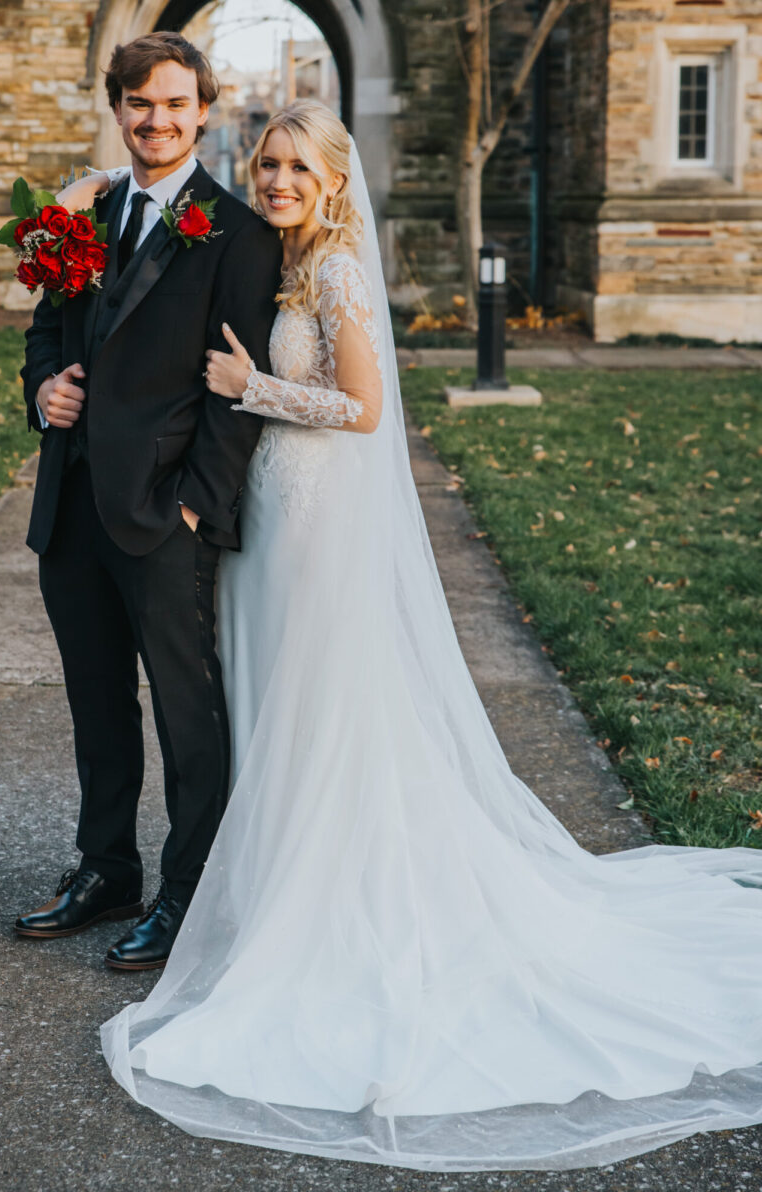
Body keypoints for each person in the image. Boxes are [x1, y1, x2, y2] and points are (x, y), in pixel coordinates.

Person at [80, 97, 762, 1173]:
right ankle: (271, 887)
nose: (277, 182)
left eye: (297, 166)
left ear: (337, 179)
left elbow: (362, 408)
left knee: (323, 704)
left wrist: (250, 385)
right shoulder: (280, 262)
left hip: (318, 519)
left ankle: (341, 902)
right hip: (271, 514)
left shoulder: (341, 273)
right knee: (270, 703)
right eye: (266, 164)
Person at [14, 32, 282, 971]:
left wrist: (198, 509)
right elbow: (46, 334)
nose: (156, 120)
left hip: (168, 512)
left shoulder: (240, 236)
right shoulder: (77, 216)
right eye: (139, 103)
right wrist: (43, 391)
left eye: (174, 104)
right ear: (117, 107)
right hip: (74, 504)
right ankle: (105, 868)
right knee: (96, 701)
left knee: (185, 711)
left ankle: (189, 890)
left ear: (203, 110)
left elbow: (243, 387)